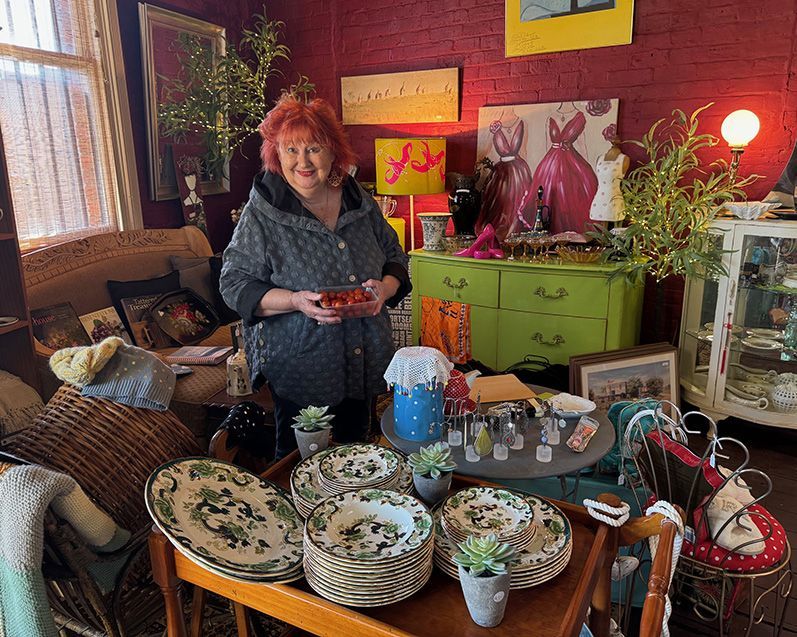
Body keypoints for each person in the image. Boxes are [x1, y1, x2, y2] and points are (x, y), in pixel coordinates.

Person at [220, 95, 411, 459]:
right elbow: (234, 283)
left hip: (364, 355)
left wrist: (385, 289)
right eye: (291, 149)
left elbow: (394, 255)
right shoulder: (263, 211)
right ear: (276, 153)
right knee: (299, 461)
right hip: (302, 365)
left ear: (332, 151)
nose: (303, 162)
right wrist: (295, 301)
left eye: (314, 148)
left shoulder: (356, 199)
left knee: (358, 455)